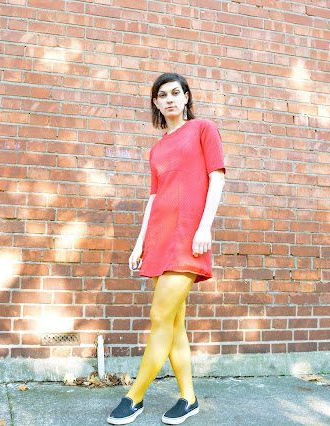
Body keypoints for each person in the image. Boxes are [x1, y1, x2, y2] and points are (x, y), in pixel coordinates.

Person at [107, 73, 226, 425]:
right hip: (160, 237)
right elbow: (154, 198)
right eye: (163, 95)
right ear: (156, 103)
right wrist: (139, 243)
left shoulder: (203, 129)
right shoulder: (157, 148)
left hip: (188, 236)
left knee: (160, 316)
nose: (170, 99)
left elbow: (217, 178)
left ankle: (134, 396)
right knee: (174, 323)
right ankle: (188, 399)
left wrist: (204, 226)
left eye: (176, 92)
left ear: (186, 97)